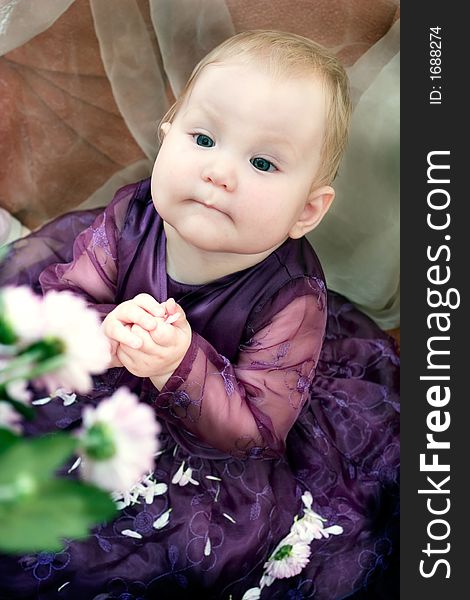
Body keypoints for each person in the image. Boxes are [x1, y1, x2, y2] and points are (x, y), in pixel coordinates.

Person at [0, 30, 399, 599]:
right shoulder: (131, 217)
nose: (220, 172)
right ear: (167, 138)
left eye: (263, 162)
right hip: (109, 382)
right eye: (204, 138)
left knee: (138, 551)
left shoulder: (292, 299)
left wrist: (178, 364)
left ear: (307, 210)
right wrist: (102, 329)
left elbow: (254, 431)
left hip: (212, 423)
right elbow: (67, 295)